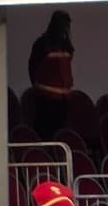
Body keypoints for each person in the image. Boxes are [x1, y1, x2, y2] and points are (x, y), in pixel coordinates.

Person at [25, 10, 76, 142]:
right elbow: (32, 66)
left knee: (62, 136)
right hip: (46, 100)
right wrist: (37, 87)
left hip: (63, 100)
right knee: (46, 135)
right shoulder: (42, 44)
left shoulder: (65, 45)